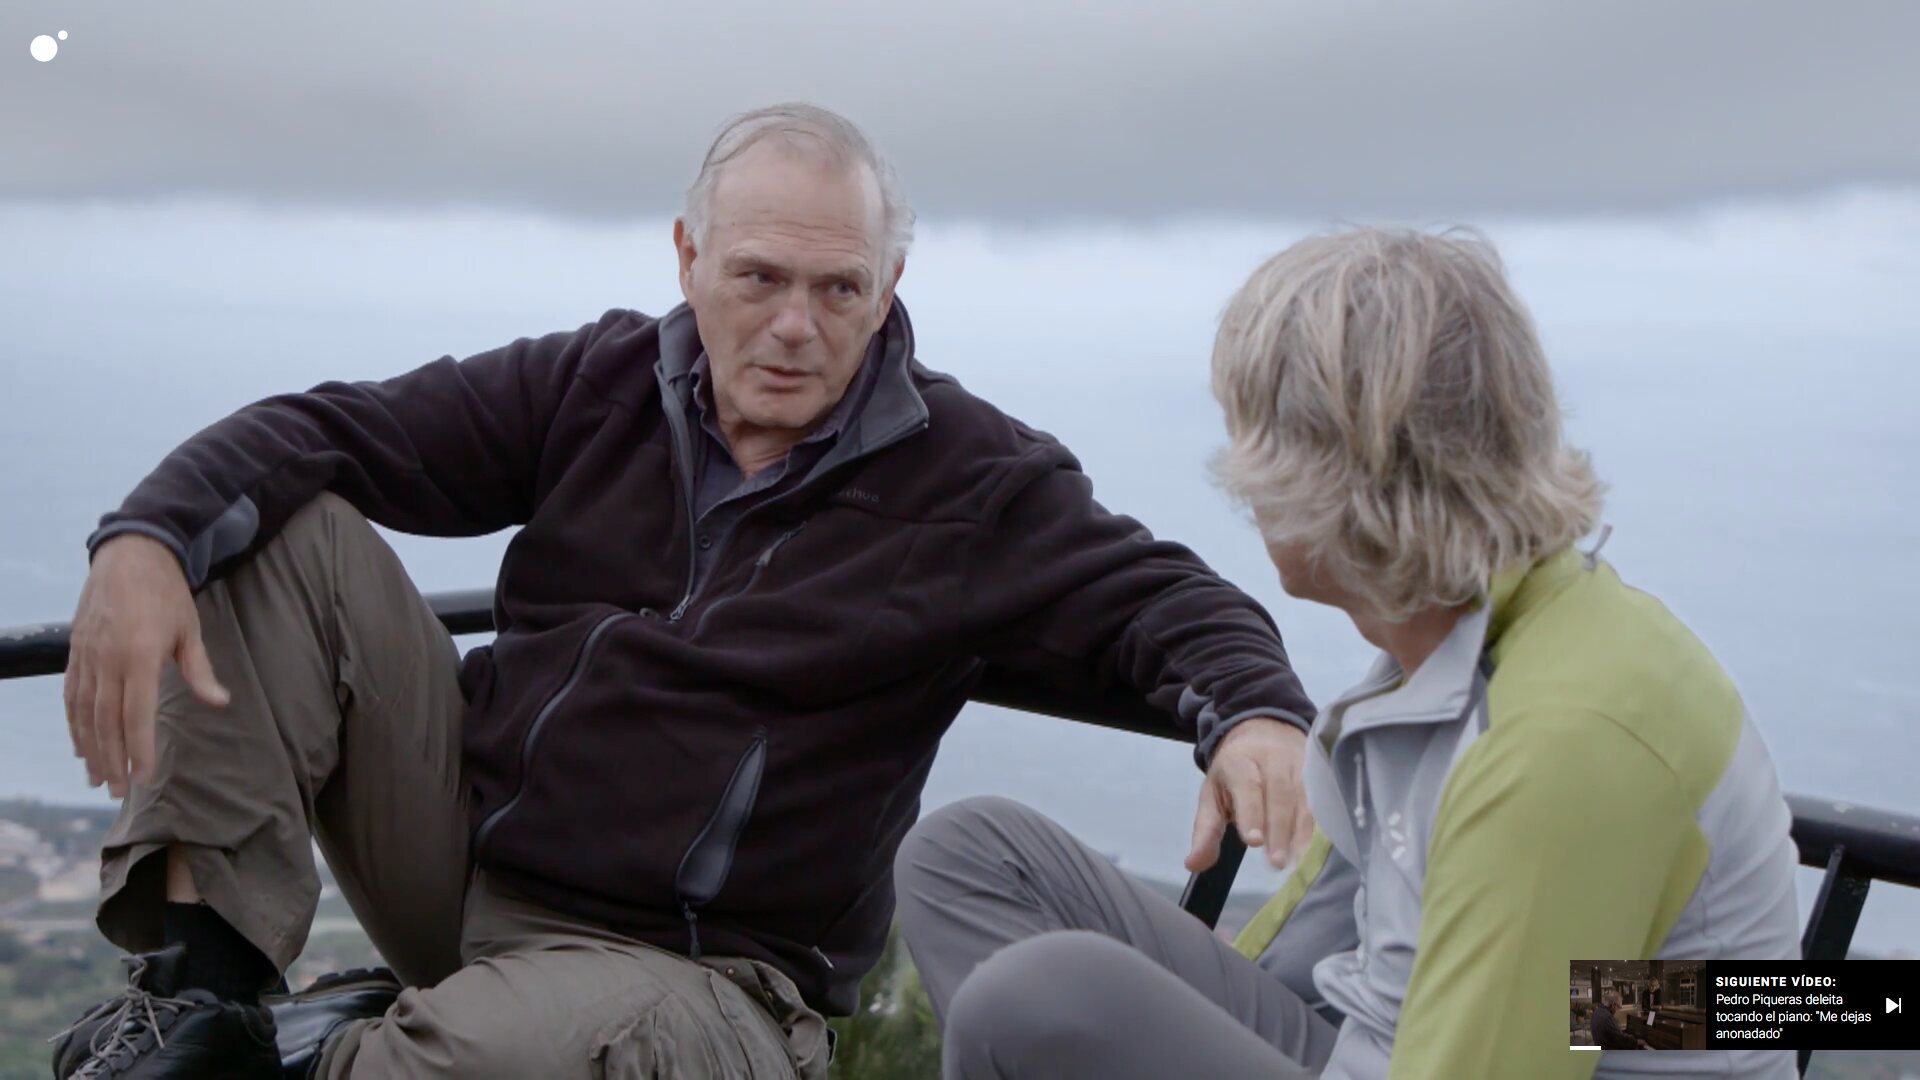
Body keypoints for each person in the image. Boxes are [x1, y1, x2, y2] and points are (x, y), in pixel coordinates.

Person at [52, 103, 1322, 1079]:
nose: (795, 327)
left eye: (840, 291)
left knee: (493, 1056)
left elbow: (1164, 596)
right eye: (760, 278)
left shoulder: (975, 482)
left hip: (711, 979)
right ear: (689, 257)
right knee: (286, 532)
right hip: (468, 874)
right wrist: (145, 543)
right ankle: (196, 991)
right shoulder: (593, 381)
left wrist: (1252, 713)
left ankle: (305, 1053)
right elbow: (327, 428)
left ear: (888, 294)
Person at [894, 227, 1804, 1078]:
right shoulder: (1471, 646)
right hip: (1369, 1039)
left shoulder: (1565, 737)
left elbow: (1833, 1008)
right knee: (969, 853)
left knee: (1039, 1000)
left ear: (1320, 477)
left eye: (1247, 433)